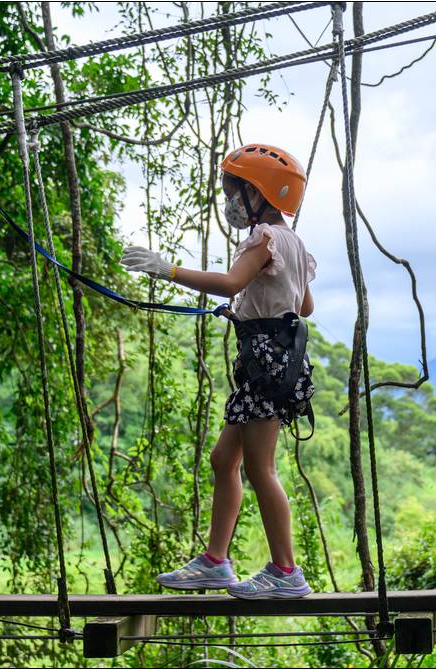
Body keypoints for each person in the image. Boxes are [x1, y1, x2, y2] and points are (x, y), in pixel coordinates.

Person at [119, 144, 317, 599]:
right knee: (224, 460)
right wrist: (258, 301)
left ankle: (286, 571)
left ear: (259, 193)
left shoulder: (263, 237)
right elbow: (304, 304)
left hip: (265, 362)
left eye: (235, 191)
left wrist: (167, 269)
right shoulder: (294, 243)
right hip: (272, 361)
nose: (229, 201)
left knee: (259, 468)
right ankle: (215, 561)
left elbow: (231, 282)